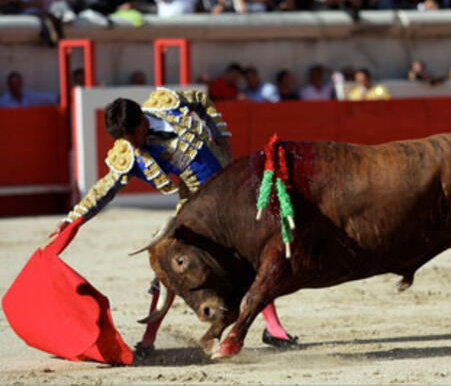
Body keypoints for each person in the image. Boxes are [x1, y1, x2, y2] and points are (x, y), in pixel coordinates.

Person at [52, 87, 297, 355]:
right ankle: (147, 340)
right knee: (169, 265)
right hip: (197, 206)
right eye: (125, 139)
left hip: (233, 191)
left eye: (132, 136)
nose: (131, 143)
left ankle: (274, 329)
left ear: (142, 122)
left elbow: (202, 100)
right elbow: (104, 189)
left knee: (252, 257)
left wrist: (221, 135)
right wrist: (73, 218)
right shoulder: (129, 153)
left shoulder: (166, 104)